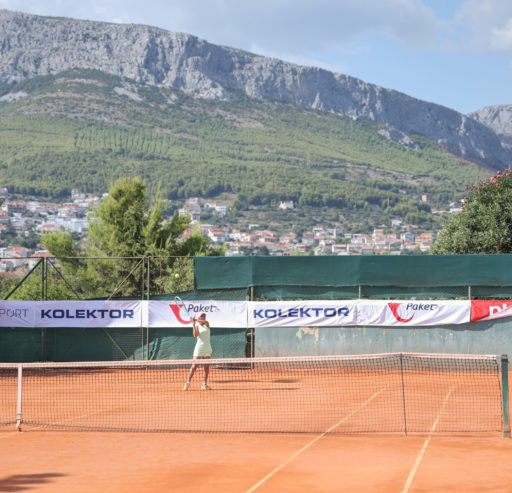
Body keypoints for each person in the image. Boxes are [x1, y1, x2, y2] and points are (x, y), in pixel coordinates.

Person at [183, 313, 212, 390]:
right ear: (199, 317)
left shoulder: (207, 325)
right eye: (201, 316)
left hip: (207, 348)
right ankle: (187, 382)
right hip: (199, 348)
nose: (203, 317)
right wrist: (193, 324)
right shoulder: (197, 326)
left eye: (204, 316)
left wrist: (195, 319)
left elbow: (206, 321)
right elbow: (195, 335)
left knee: (206, 367)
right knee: (194, 366)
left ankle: (204, 384)